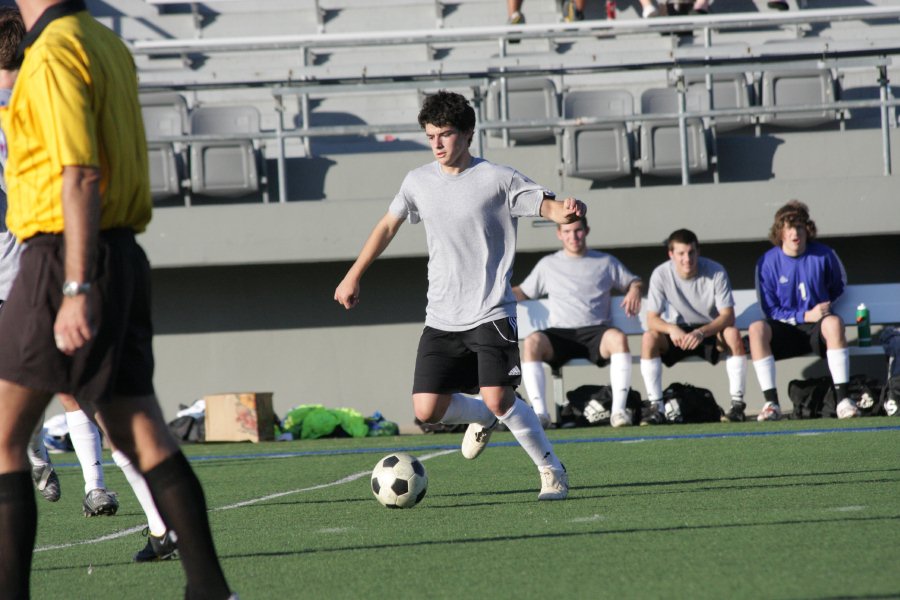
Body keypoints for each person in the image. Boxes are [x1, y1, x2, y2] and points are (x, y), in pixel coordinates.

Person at [0, 0, 232, 596]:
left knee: (2, 440)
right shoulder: (104, 41)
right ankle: (210, 588)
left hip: (62, 254)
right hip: (120, 251)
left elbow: (77, 173)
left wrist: (74, 285)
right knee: (141, 429)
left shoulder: (49, 52)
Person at [335, 90, 583, 500]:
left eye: (445, 134)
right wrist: (353, 275)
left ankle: (551, 470)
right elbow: (386, 227)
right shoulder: (417, 181)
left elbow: (551, 208)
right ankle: (485, 414)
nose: (437, 143)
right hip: (442, 315)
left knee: (501, 397)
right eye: (431, 135)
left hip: (491, 311)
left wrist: (569, 211)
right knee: (426, 410)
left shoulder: (498, 179)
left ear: (467, 134)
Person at [512, 217, 642, 428]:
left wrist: (635, 288)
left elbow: (633, 280)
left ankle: (618, 412)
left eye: (578, 230)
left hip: (596, 332)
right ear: (559, 234)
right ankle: (540, 415)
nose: (573, 236)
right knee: (531, 342)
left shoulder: (605, 262)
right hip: (561, 334)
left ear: (586, 230)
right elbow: (523, 292)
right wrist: (499, 294)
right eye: (567, 231)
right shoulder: (548, 264)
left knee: (618, 338)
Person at [748, 200, 860, 422]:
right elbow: (769, 309)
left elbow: (840, 284)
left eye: (799, 227)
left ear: (807, 229)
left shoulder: (825, 254)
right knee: (756, 329)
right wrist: (804, 315)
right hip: (786, 330)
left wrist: (826, 306)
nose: (794, 233)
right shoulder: (767, 263)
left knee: (834, 323)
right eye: (789, 228)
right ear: (780, 233)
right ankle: (772, 404)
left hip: (818, 330)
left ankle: (843, 400)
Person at [639, 228, 748, 424]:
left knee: (732, 333)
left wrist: (701, 332)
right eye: (681, 253)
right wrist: (672, 329)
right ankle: (657, 408)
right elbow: (652, 320)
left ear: (698, 251)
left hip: (708, 331)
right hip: (677, 333)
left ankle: (737, 406)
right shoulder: (661, 274)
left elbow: (728, 316)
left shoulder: (716, 271)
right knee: (649, 338)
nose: (687, 259)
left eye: (691, 252)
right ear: (671, 254)